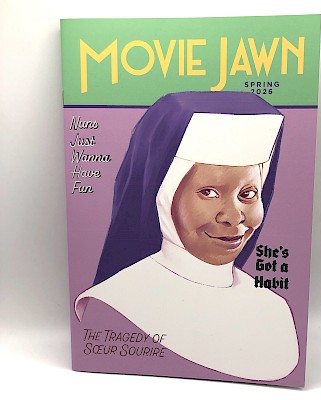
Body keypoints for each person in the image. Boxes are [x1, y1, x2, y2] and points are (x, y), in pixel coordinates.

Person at [75, 91, 299, 381]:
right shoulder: (113, 304)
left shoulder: (275, 309)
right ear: (164, 196)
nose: (233, 217)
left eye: (248, 194)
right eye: (209, 192)